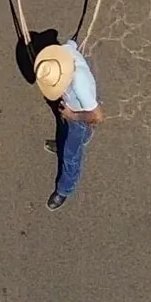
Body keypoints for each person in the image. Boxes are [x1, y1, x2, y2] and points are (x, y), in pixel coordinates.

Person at [36, 37, 101, 207]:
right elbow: (72, 43)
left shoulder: (80, 86)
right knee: (68, 133)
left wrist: (72, 115)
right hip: (73, 106)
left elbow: (96, 116)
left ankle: (64, 190)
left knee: (71, 156)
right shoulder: (64, 52)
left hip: (79, 114)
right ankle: (75, 140)